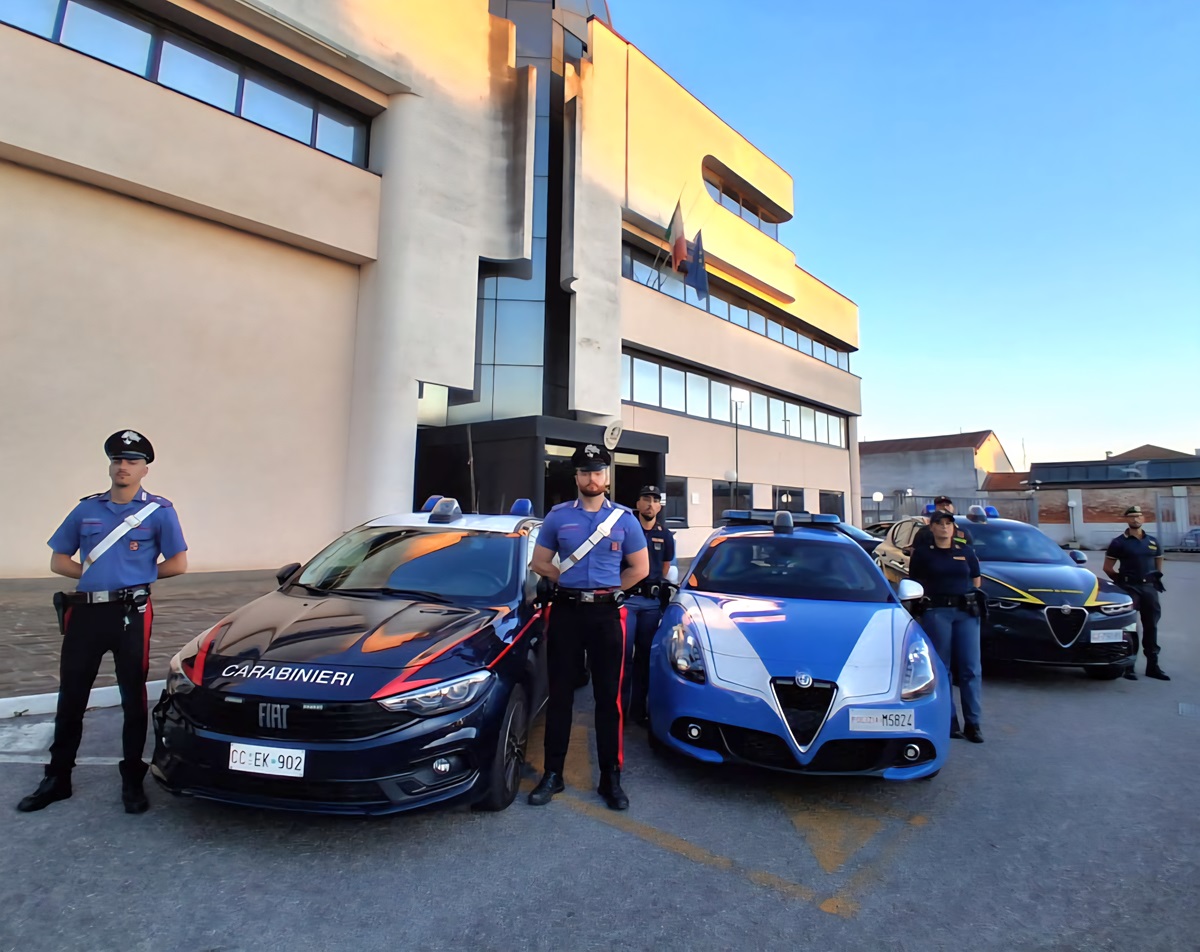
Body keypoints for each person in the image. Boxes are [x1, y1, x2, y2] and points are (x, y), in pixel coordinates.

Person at [17, 430, 188, 814]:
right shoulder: (86, 509)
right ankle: (57, 777)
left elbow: (177, 563)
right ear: (110, 465)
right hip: (85, 613)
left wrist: (132, 577)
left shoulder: (159, 512)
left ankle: (132, 779)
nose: (123, 467)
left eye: (132, 461)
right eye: (117, 460)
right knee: (71, 696)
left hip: (131, 614)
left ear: (145, 469)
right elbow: (59, 559)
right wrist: (95, 580)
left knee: (133, 698)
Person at [528, 444, 648, 810]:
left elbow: (640, 569)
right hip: (566, 613)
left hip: (605, 617)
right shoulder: (557, 517)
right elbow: (539, 562)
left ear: (607, 477)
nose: (591, 479)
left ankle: (610, 779)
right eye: (584, 472)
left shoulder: (625, 519)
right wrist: (566, 580)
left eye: (597, 472)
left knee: (607, 700)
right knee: (560, 695)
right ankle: (553, 774)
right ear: (576, 477)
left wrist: (611, 589)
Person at [908, 509, 984, 743]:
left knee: (971, 668)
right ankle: (948, 720)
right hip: (937, 612)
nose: (944, 527)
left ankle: (974, 723)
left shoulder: (965, 551)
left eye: (948, 523)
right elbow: (915, 583)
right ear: (931, 528)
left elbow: (976, 579)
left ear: (953, 528)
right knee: (942, 668)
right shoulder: (923, 554)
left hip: (965, 612)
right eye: (939, 523)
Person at [622, 485, 676, 726]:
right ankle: (618, 710)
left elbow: (665, 567)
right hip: (626, 602)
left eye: (655, 500)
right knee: (623, 658)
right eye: (646, 499)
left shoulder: (666, 535)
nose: (650, 504)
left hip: (651, 604)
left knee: (645, 658)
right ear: (638, 502)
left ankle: (638, 710)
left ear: (660, 506)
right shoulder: (626, 529)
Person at [1104, 505, 1168, 681]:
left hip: (1149, 589)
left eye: (1138, 516)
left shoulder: (1153, 541)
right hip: (1129, 588)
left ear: (1143, 519)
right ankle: (1128, 667)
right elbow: (1108, 568)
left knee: (1151, 627)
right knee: (1130, 627)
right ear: (1126, 520)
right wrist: (1122, 581)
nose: (1135, 520)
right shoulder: (1118, 542)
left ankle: (1153, 666)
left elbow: (1158, 563)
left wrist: (1155, 579)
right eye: (1132, 517)